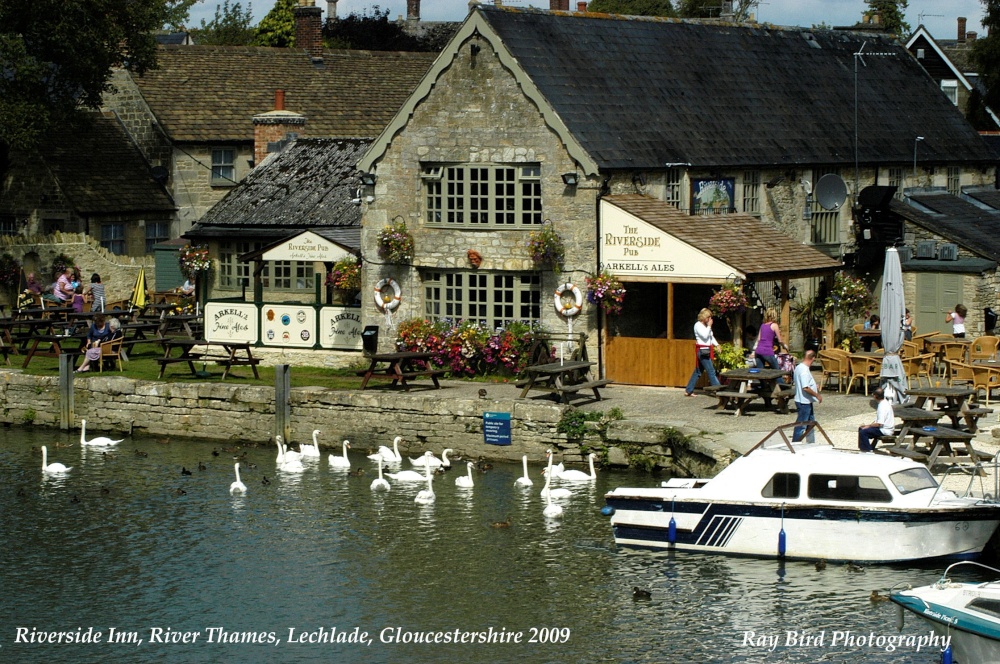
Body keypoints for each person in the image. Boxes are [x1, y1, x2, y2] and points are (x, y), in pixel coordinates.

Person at [684, 308, 721, 397]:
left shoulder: (705, 326)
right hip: (702, 351)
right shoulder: (698, 325)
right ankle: (718, 390)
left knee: (698, 371)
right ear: (704, 317)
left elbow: (710, 336)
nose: (710, 319)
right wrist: (709, 326)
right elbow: (704, 336)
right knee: (711, 371)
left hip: (707, 350)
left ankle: (689, 390)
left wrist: (717, 345)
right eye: (709, 317)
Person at [792, 350, 822, 442]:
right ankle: (795, 444)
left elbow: (804, 383)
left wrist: (813, 386)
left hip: (805, 401)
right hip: (803, 401)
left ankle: (810, 442)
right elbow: (805, 387)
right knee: (801, 425)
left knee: (810, 423)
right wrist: (817, 395)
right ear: (813, 358)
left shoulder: (799, 367)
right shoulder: (804, 370)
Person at [754, 308, 788, 382]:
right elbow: (780, 340)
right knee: (777, 372)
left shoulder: (762, 325)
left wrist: (753, 351)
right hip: (767, 351)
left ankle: (764, 388)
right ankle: (782, 388)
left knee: (761, 373)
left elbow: (758, 339)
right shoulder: (774, 325)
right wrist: (784, 346)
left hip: (758, 351)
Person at [858, 388, 894, 452]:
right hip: (884, 428)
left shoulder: (882, 407)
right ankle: (864, 448)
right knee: (861, 428)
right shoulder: (885, 402)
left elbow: (879, 423)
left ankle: (867, 450)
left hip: (884, 430)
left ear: (875, 396)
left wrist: (868, 426)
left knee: (863, 432)